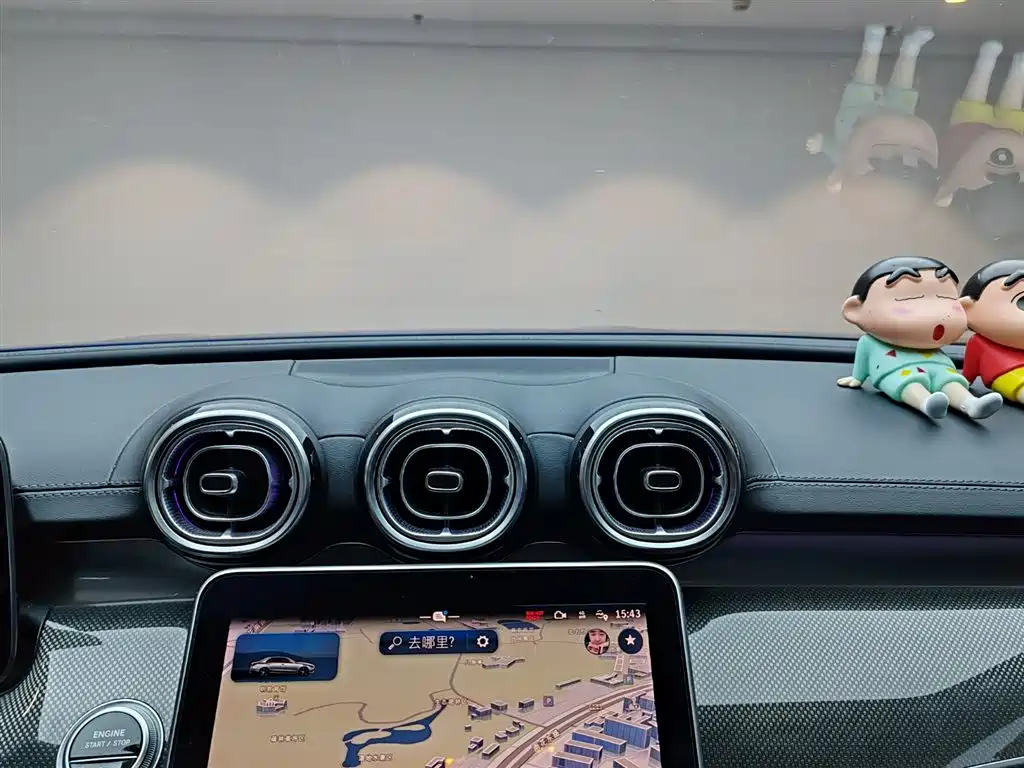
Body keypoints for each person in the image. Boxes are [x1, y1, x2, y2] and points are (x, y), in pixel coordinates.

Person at [839, 256, 1003, 420]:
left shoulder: (933, 347)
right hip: (895, 369)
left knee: (951, 382)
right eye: (908, 300)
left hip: (939, 366)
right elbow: (863, 358)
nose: (936, 313)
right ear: (855, 310)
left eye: (946, 299)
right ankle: (925, 403)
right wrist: (857, 378)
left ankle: (972, 404)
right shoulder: (870, 342)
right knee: (910, 384)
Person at [806, 24, 937, 193]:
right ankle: (910, 50)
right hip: (894, 123)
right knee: (902, 92)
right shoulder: (900, 171)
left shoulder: (851, 164)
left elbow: (838, 151)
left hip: (858, 118)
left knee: (862, 86)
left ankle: (872, 46)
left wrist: (823, 144)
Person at [935, 41, 1024, 207]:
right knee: (1012, 112)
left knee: (972, 107)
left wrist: (948, 190)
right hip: (1012, 146)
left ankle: (985, 63)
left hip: (969, 142)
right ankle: (1019, 67)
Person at [959, 259, 1024, 406]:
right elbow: (970, 370)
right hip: (1006, 374)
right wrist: (964, 381)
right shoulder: (978, 343)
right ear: (967, 309)